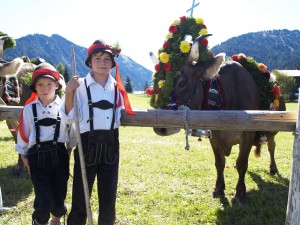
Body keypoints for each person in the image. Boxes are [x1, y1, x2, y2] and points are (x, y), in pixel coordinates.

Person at [61, 39, 134, 225]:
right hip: (87, 144)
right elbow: (69, 116)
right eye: (98, 58)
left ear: (112, 63)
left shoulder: (116, 87)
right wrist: (69, 92)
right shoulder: (80, 86)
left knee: (108, 195)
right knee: (80, 194)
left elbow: (120, 113)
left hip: (111, 144)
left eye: (107, 59)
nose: (102, 63)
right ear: (90, 62)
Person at [15, 62, 76, 225]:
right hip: (37, 157)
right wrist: (24, 158)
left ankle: (56, 220)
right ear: (35, 87)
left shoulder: (64, 107)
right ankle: (40, 221)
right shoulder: (29, 109)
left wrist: (68, 152)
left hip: (59, 155)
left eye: (49, 84)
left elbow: (71, 131)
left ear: (57, 85)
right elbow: (24, 134)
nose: (45, 88)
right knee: (43, 199)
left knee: (59, 194)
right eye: (40, 84)